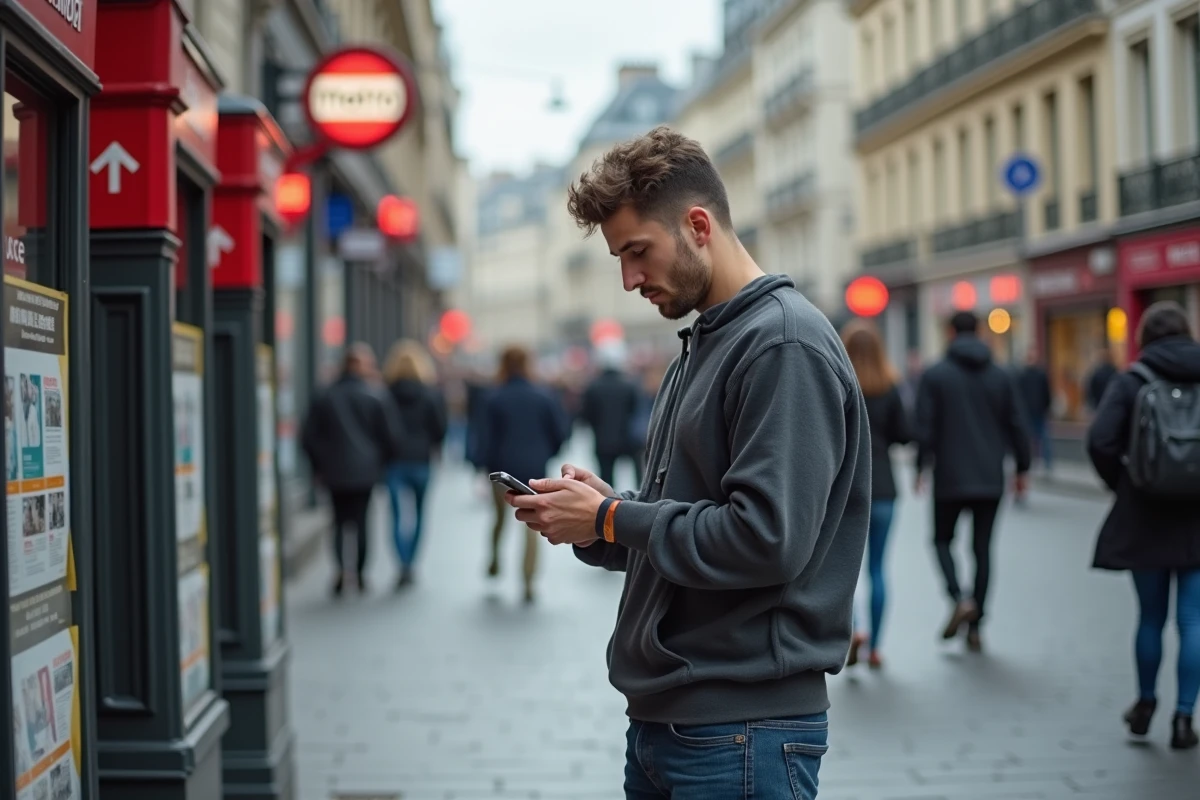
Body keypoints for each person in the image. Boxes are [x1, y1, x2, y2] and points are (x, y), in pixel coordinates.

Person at [505, 126, 870, 798]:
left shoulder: (782, 344)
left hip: (741, 730)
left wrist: (617, 516)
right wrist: (598, 522)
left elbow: (765, 540)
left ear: (698, 225)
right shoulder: (705, 341)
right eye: (618, 258)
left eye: (638, 251)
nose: (628, 279)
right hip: (673, 726)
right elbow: (689, 533)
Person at [1086, 301, 1200, 750]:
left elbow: (1100, 441)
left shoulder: (1133, 380)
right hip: (1197, 517)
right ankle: (1185, 718)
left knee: (1150, 617)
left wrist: (1126, 483)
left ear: (1144, 338)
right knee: (1192, 619)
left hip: (1146, 514)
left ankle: (1146, 702)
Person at [915, 311, 1031, 652]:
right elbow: (1017, 423)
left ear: (950, 333)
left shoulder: (935, 375)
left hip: (949, 475)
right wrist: (1022, 469)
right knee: (982, 550)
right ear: (979, 332)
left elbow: (925, 426)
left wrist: (923, 466)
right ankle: (977, 624)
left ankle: (958, 597)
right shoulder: (1001, 374)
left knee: (941, 541)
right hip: (990, 476)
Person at [302, 343, 405, 596]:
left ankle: (340, 571)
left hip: (334, 471)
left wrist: (320, 463)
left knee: (338, 522)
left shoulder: (325, 396)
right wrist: (380, 462)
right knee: (361, 522)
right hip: (365, 472)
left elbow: (308, 436)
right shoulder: (374, 396)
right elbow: (390, 437)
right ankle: (358, 574)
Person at [841, 320, 912, 670]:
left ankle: (853, 630)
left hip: (845, 491)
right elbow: (905, 434)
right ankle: (877, 648)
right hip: (883, 488)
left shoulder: (838, 382)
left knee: (843, 570)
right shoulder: (890, 386)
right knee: (878, 569)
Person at [479, 345, 569, 603]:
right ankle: (528, 579)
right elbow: (560, 432)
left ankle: (495, 558)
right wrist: (545, 453)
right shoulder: (543, 396)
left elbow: (484, 438)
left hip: (501, 470)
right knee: (532, 525)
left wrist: (484, 467)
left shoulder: (494, 397)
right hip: (534, 471)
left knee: (498, 519)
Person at [383, 339, 448, 589]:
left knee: (397, 515)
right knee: (420, 513)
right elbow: (440, 429)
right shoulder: (431, 395)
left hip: (395, 461)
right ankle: (411, 562)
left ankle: (402, 562)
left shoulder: (386, 394)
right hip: (421, 460)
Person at [581, 344, 643, 490]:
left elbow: (586, 415)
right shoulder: (629, 385)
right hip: (627, 439)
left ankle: (609, 509)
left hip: (603, 441)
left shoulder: (593, 387)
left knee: (606, 484)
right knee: (636, 479)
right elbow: (636, 411)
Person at [1017, 347, 1053, 473]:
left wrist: (1046, 407)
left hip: (1039, 411)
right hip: (1028, 412)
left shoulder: (1040, 374)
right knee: (1030, 439)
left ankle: (1046, 463)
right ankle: (1032, 462)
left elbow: (1046, 392)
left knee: (1043, 438)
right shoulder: (1023, 375)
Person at [1086, 345, 1119, 411]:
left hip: (1098, 405)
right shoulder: (1114, 372)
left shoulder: (1096, 373)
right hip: (1111, 405)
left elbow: (1090, 390)